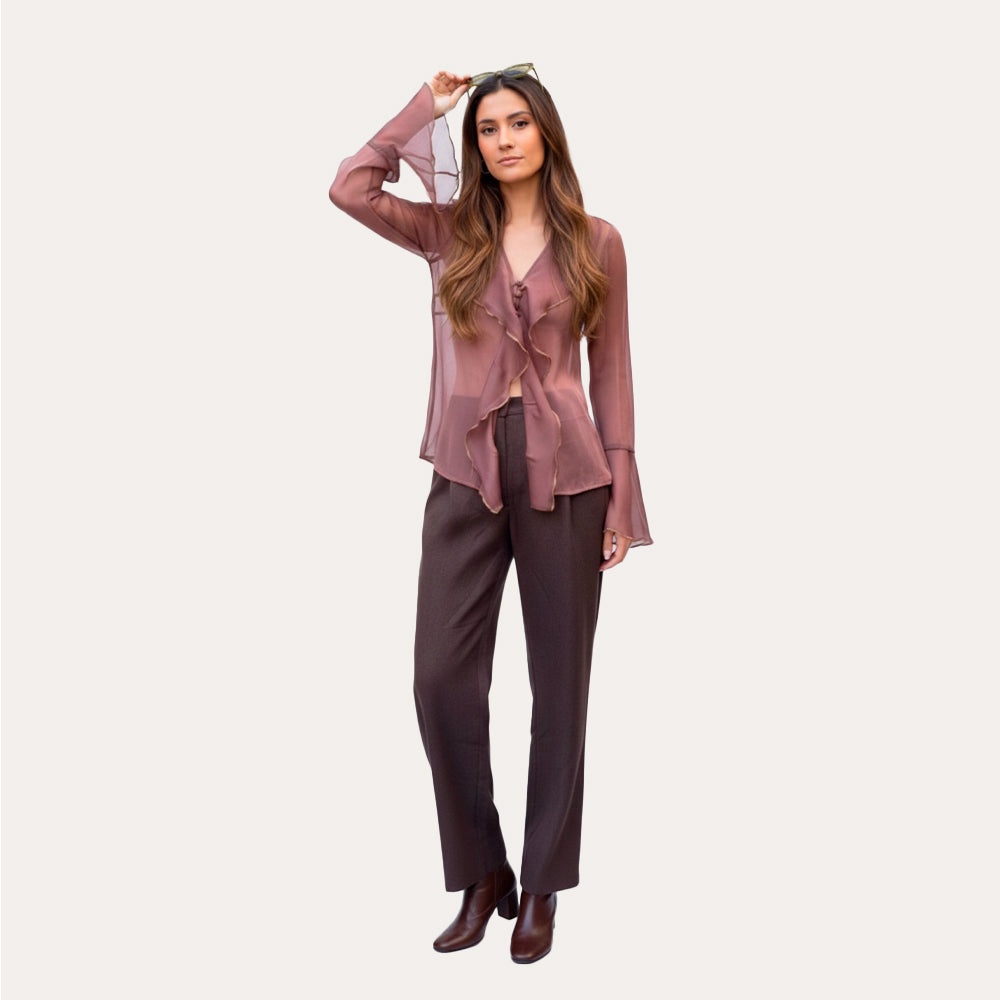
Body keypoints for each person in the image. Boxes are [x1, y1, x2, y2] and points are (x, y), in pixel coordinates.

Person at [328, 64, 652, 964]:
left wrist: (623, 491)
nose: (503, 139)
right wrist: (423, 108)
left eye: (517, 123)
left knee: (561, 688)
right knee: (439, 680)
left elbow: (613, 370)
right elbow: (350, 187)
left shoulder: (597, 241)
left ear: (546, 132)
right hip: (464, 474)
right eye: (486, 128)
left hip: (569, 478)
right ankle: (483, 872)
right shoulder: (447, 231)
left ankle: (543, 883)